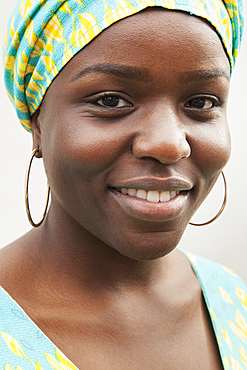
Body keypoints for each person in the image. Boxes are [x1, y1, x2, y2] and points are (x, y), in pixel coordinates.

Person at [0, 0, 246, 369]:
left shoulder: (235, 301)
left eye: (201, 101)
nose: (168, 144)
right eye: (111, 100)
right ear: (37, 123)